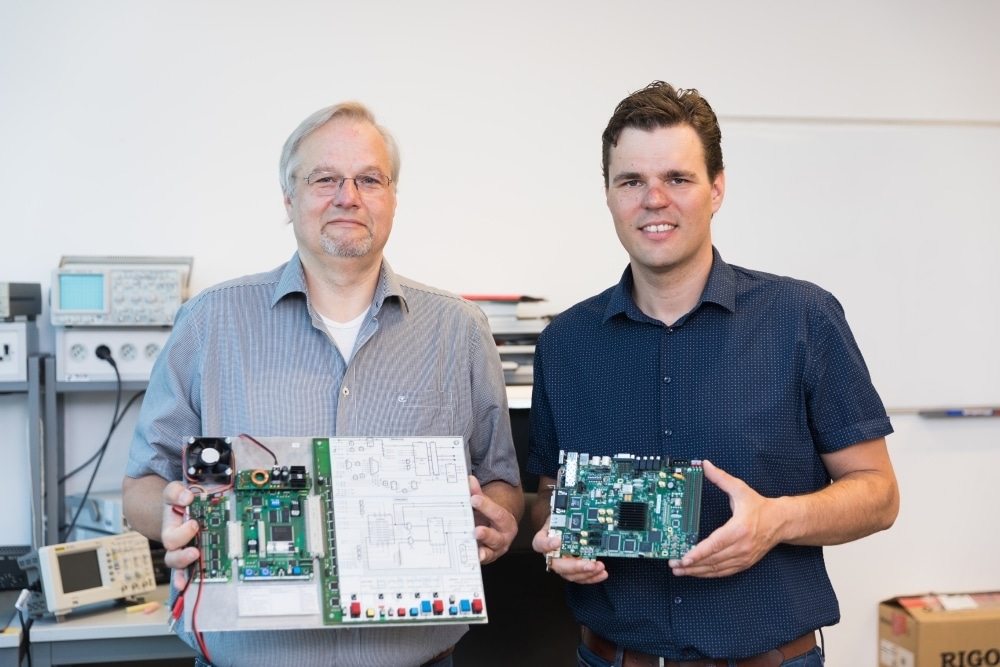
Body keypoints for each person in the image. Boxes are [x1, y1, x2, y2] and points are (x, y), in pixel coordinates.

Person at [122, 101, 523, 667]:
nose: (347, 196)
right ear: (288, 199)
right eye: (324, 179)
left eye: (369, 179)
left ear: (392, 198)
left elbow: (500, 480)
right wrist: (171, 515)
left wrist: (497, 522)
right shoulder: (209, 323)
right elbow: (141, 483)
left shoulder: (459, 330)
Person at [527, 81, 899, 666]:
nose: (654, 200)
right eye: (631, 181)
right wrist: (555, 541)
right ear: (608, 195)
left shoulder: (802, 318)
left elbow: (879, 494)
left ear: (716, 188)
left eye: (677, 179)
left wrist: (777, 520)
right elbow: (546, 494)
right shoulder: (565, 344)